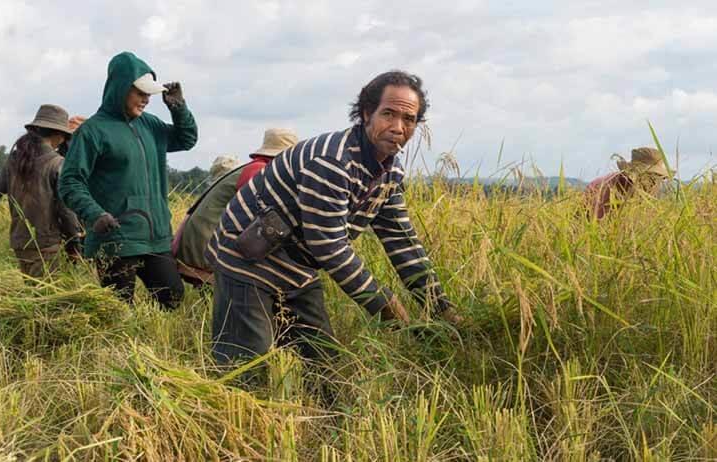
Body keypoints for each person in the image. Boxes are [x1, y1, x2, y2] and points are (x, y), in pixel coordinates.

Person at [206, 71, 462, 364]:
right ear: (367, 113)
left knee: (325, 364)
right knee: (247, 365)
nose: (398, 127)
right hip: (246, 256)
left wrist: (441, 307)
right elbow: (330, 247)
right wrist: (384, 303)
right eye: (388, 114)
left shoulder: (390, 173)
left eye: (409, 120)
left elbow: (402, 243)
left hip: (297, 265)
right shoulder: (333, 161)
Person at [59, 51, 198, 310]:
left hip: (155, 236)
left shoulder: (152, 125)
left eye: (149, 94)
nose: (146, 99)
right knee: (118, 310)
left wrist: (179, 109)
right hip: (115, 238)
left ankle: (157, 348)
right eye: (140, 93)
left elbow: (186, 140)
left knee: (173, 297)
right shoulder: (93, 131)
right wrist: (94, 214)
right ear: (120, 88)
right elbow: (70, 182)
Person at [173, 128, 298, 285]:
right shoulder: (258, 171)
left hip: (201, 239)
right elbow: (264, 215)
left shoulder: (256, 167)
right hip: (206, 245)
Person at [0, 104, 82, 278]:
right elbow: (66, 210)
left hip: (20, 244)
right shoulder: (57, 164)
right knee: (46, 299)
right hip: (46, 246)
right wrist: (74, 243)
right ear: (58, 135)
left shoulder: (14, 160)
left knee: (31, 296)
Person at [585, 147, 673, 219]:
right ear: (637, 173)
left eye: (658, 177)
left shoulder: (651, 187)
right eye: (651, 176)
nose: (654, 183)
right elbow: (598, 223)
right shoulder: (610, 189)